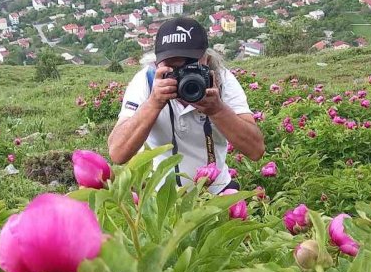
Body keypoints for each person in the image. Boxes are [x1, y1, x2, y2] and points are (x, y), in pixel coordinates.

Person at [107, 17, 265, 193]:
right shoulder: (146, 81)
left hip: (215, 191)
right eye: (172, 67)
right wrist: (153, 103)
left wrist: (218, 110)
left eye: (190, 65)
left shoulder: (222, 81)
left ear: (206, 58)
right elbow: (117, 153)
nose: (183, 75)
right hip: (162, 196)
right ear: (156, 62)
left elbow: (256, 150)